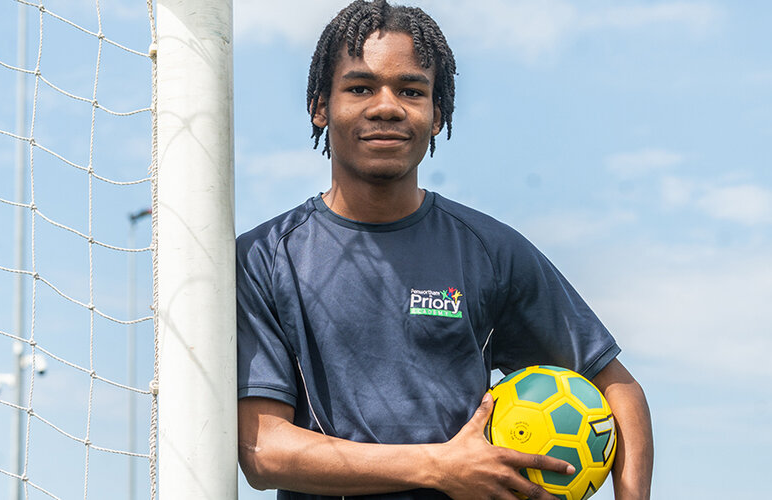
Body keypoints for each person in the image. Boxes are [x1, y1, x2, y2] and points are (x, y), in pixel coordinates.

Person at [235, 1, 654, 499]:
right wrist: (436, 466)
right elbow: (264, 451)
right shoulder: (264, 258)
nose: (386, 106)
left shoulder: (489, 250)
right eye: (360, 87)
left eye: (411, 90)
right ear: (321, 107)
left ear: (437, 114)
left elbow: (618, 389)